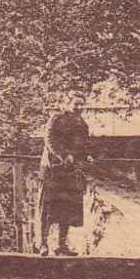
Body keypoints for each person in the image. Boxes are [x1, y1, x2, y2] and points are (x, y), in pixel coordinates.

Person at [38, 101, 93, 256]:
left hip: (70, 170)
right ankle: (43, 244)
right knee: (47, 208)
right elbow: (49, 140)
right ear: (67, 104)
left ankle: (61, 245)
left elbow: (84, 144)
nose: (79, 108)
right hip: (52, 169)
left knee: (67, 207)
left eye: (82, 105)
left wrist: (87, 154)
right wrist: (63, 155)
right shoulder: (56, 119)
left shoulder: (81, 124)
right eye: (76, 104)